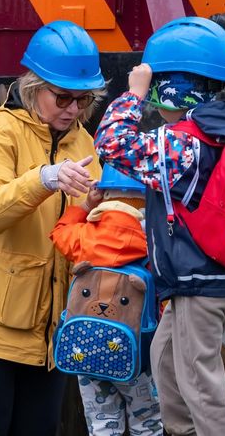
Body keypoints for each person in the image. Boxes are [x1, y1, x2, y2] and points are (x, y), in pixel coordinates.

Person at [94, 17, 225, 436]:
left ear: (172, 87)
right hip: (214, 276)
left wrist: (133, 95)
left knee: (200, 384)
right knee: (167, 360)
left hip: (198, 282)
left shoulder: (183, 142)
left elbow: (112, 142)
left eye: (156, 83)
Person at [0, 20, 106, 436]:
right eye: (63, 97)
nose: (73, 110)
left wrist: (100, 207)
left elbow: (80, 226)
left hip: (51, 326)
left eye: (83, 100)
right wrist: (43, 179)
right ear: (33, 87)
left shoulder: (82, 141)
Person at [49, 164, 163, 435]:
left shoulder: (85, 238)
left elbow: (59, 231)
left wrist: (85, 206)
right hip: (137, 353)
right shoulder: (154, 242)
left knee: (102, 423)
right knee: (146, 422)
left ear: (105, 195)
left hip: (86, 350)